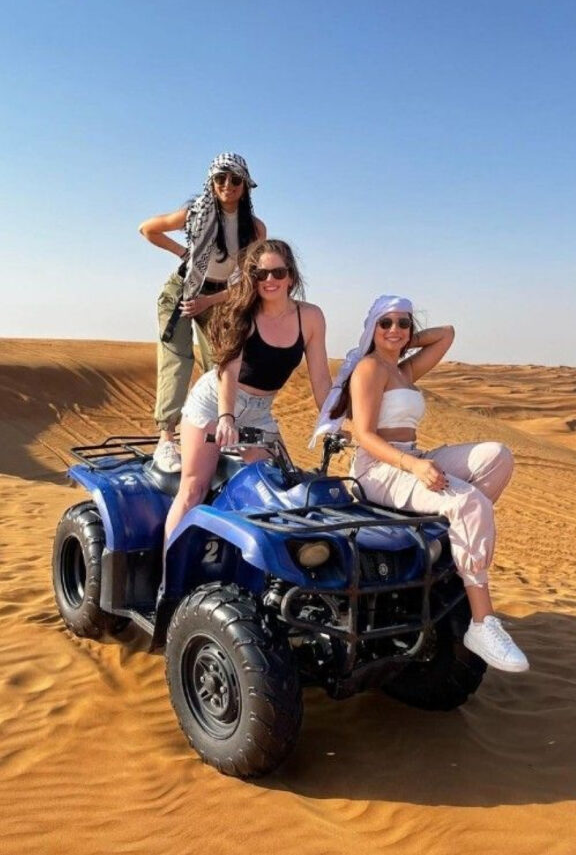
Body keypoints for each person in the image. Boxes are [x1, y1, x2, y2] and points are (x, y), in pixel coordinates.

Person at [311, 294, 529, 674]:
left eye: (403, 323)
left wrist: (402, 341)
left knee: (498, 456)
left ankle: (448, 541)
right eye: (386, 323)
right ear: (371, 328)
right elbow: (363, 435)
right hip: (380, 469)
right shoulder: (369, 368)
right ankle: (482, 622)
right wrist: (412, 466)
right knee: (469, 503)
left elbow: (446, 334)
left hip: (414, 455)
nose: (395, 329)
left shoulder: (403, 371)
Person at [164, 239, 332, 539]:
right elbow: (228, 371)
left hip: (259, 413)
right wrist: (226, 417)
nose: (269, 281)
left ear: (291, 276)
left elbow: (320, 379)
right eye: (260, 274)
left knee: (281, 490)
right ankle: (168, 581)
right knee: (193, 489)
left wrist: (332, 422)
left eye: (278, 273)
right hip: (214, 403)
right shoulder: (241, 313)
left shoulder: (310, 317)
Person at [139, 152, 266, 473]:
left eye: (235, 179)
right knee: (177, 362)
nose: (228, 185)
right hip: (181, 293)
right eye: (220, 179)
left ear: (245, 185)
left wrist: (210, 302)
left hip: (220, 298)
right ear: (211, 183)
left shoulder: (255, 229)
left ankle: (218, 438)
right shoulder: (194, 214)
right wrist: (183, 252)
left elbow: (247, 280)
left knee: (221, 367)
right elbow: (148, 229)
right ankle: (166, 440)